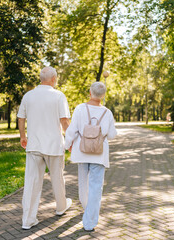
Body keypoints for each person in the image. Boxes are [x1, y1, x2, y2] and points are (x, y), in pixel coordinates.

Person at [17, 66, 72, 230]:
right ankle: (61, 207)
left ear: (41, 79)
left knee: (32, 182)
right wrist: (71, 140)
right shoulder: (58, 96)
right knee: (57, 178)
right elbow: (64, 121)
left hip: (34, 145)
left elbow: (21, 118)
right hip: (54, 145)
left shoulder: (29, 96)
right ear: (54, 79)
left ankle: (28, 220)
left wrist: (22, 136)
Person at [65, 82, 117, 231]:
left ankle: (88, 210)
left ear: (90, 92)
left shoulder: (80, 108)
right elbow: (112, 135)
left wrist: (66, 145)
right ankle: (90, 221)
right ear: (103, 95)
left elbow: (72, 130)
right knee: (95, 188)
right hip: (99, 154)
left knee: (83, 186)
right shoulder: (107, 112)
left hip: (82, 152)